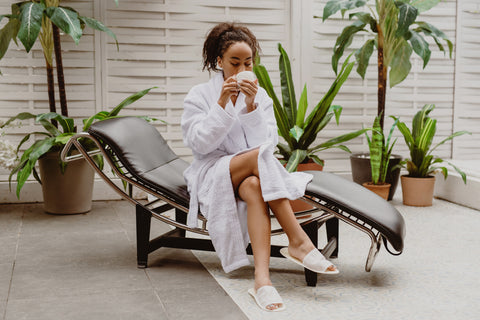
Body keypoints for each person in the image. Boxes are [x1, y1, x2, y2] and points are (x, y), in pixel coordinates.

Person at [181, 22, 338, 312]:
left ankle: (262, 282)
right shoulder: (200, 95)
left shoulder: (260, 96)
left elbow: (267, 142)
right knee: (258, 158)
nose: (242, 69)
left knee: (254, 186)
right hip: (213, 172)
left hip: (253, 174)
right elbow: (200, 144)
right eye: (234, 62)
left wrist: (251, 106)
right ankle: (298, 240)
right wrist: (222, 103)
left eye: (248, 62)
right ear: (219, 61)